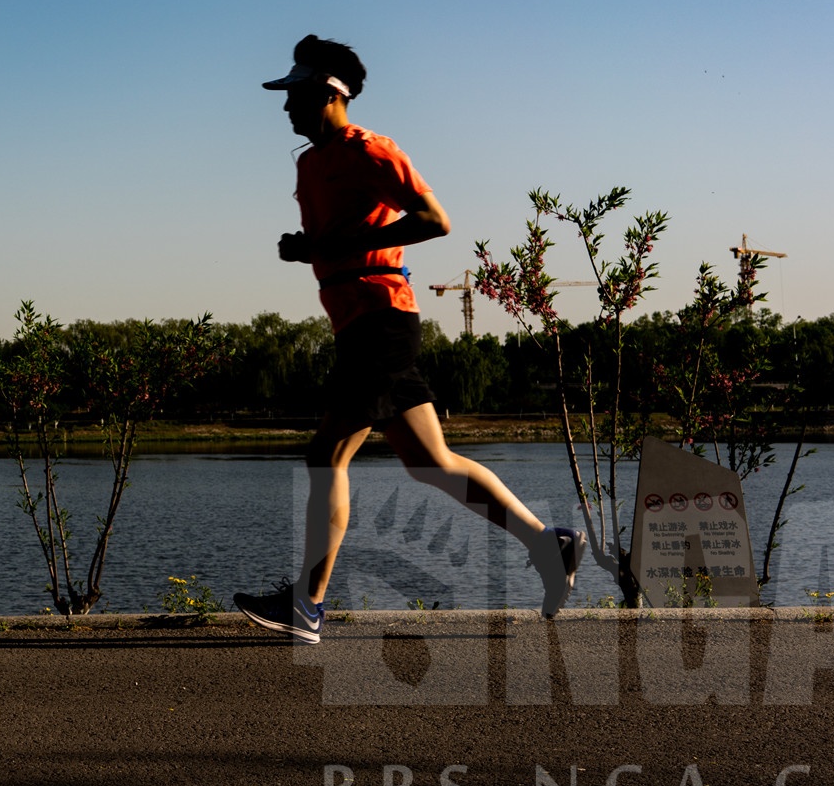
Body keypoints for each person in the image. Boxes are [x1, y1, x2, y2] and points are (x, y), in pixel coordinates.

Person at [233, 34, 582, 643]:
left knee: (326, 455)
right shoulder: (309, 162)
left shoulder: (370, 149)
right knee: (431, 463)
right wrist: (309, 250)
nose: (284, 108)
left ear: (327, 93)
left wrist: (335, 248)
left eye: (294, 95)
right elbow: (338, 237)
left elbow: (434, 220)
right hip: (358, 323)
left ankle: (307, 605)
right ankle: (548, 545)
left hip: (382, 318)